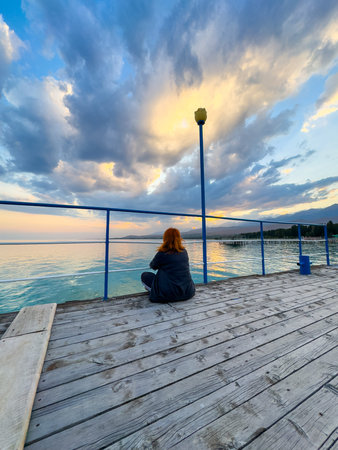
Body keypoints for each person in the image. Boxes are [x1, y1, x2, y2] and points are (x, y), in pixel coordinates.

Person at [141, 228, 195, 303]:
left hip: (167, 294)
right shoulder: (184, 251)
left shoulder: (163, 253)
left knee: (145, 275)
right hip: (188, 292)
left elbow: (153, 266)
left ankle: (154, 291)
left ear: (165, 238)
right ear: (179, 238)